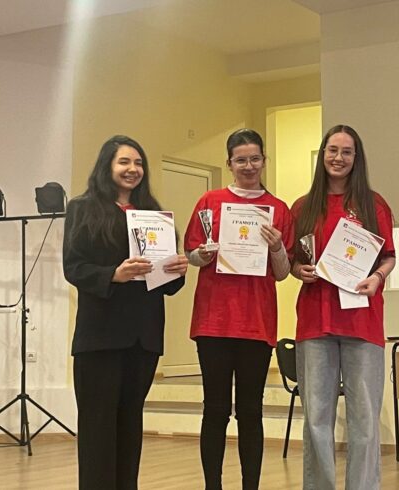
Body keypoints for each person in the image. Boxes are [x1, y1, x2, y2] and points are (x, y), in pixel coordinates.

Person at [63, 135, 188, 490]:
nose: (133, 169)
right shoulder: (83, 208)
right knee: (97, 428)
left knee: (130, 425)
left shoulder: (154, 215)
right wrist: (113, 275)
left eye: (138, 163)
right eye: (124, 162)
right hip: (100, 337)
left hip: (143, 337)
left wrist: (177, 271)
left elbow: (167, 285)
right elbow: (73, 267)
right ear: (107, 166)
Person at [184, 129, 294, 490]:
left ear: (264, 160)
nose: (249, 166)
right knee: (215, 409)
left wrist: (277, 248)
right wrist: (202, 255)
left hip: (256, 323)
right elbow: (191, 255)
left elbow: (283, 273)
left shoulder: (278, 210)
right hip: (213, 322)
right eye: (241, 160)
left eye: (255, 158)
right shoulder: (209, 201)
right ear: (229, 163)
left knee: (250, 412)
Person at [291, 125, 396, 490]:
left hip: (362, 321)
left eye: (346, 152)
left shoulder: (373, 204)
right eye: (332, 150)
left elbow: (388, 257)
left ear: (356, 158)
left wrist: (377, 278)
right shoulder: (303, 207)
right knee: (316, 419)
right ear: (323, 155)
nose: (338, 158)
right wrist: (298, 270)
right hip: (314, 323)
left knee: (364, 419)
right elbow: (294, 259)